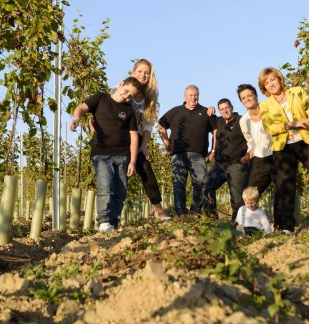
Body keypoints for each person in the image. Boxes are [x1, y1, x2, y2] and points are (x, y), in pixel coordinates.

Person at [90, 59, 170, 220]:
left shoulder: (150, 98)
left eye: (147, 73)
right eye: (140, 71)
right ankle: (105, 216)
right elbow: (104, 107)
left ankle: (158, 208)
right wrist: (92, 120)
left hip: (136, 137)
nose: (143, 75)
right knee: (111, 177)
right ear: (133, 73)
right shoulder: (121, 88)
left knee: (145, 168)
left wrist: (144, 146)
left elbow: (148, 126)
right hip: (117, 135)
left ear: (150, 76)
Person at [70, 77, 142, 232]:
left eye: (131, 96)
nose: (127, 96)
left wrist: (133, 161)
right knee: (106, 186)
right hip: (101, 153)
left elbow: (134, 136)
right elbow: (81, 108)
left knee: (120, 191)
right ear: (121, 84)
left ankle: (113, 222)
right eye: (126, 91)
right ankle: (103, 221)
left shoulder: (129, 110)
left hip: (123, 155)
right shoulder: (101, 98)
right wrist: (77, 118)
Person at [258, 67, 309, 235]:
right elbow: (270, 128)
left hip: (304, 140)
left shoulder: (297, 92)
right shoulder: (265, 105)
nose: (271, 84)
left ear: (280, 79)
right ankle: (287, 226)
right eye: (267, 83)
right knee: (286, 184)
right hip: (283, 146)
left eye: (273, 79)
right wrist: (291, 124)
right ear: (264, 88)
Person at [157, 85, 217, 217]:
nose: (193, 98)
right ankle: (181, 212)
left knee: (201, 183)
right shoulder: (176, 111)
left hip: (199, 155)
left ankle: (195, 211)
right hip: (178, 154)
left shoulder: (206, 112)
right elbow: (161, 125)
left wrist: (213, 150)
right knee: (179, 183)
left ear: (198, 96)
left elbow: (215, 131)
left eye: (195, 95)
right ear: (185, 97)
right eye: (190, 95)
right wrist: (167, 143)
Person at [202, 98, 249, 221]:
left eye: (226, 108)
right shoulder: (219, 122)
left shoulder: (241, 121)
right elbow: (209, 117)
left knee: (237, 196)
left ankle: (238, 223)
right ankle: (211, 218)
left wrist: (247, 156)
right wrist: (211, 108)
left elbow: (252, 138)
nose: (225, 111)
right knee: (206, 183)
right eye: (221, 109)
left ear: (232, 107)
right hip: (220, 165)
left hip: (236, 164)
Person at [237, 84, 277, 220]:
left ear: (255, 95)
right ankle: (247, 224)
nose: (247, 99)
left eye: (249, 95)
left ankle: (283, 225)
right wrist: (248, 155)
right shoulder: (244, 121)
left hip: (278, 154)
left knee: (283, 190)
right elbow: (250, 141)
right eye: (243, 98)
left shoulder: (269, 109)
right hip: (260, 158)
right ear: (241, 102)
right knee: (249, 192)